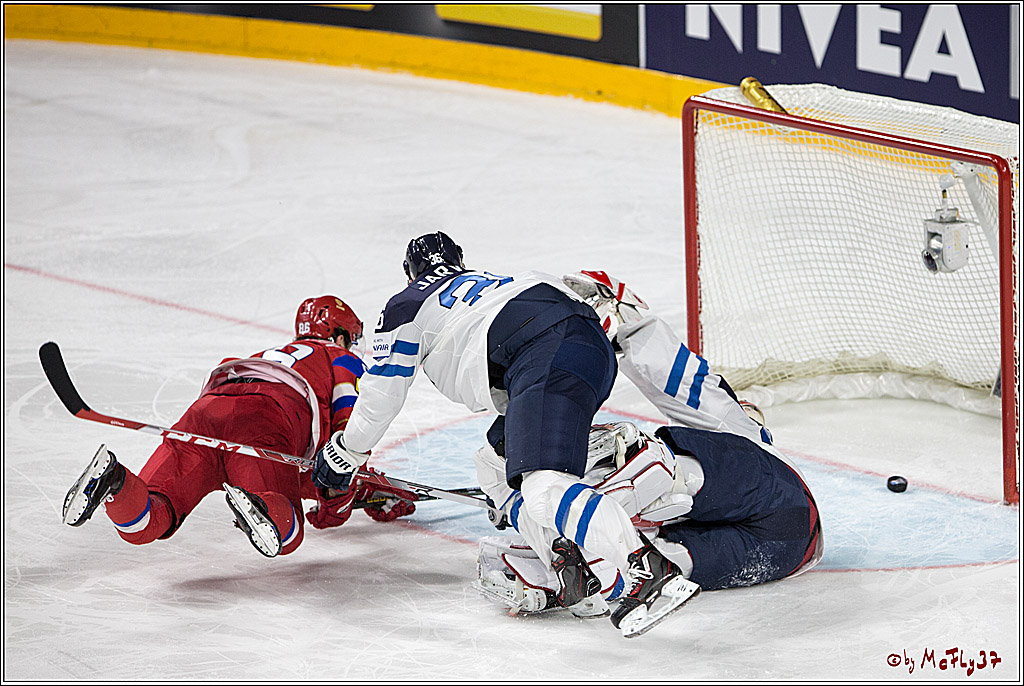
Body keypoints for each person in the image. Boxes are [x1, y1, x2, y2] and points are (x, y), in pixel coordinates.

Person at [310, 232, 688, 631]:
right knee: (493, 466)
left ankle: (647, 571)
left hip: (546, 355)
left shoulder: (407, 304)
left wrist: (346, 453)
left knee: (544, 488)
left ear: (410, 273)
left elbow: (382, 394)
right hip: (583, 348)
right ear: (459, 261)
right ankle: (567, 561)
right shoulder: (495, 281)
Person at [473, 271, 822, 636]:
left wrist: (622, 317)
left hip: (782, 503)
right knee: (649, 552)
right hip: (788, 550)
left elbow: (680, 379)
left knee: (618, 465)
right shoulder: (744, 442)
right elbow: (680, 380)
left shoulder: (745, 436)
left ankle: (560, 528)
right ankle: (574, 564)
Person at [62, 295, 414, 558]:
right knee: (286, 534)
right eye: (351, 338)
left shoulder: (268, 353)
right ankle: (261, 505)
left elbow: (304, 470)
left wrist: (371, 492)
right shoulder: (342, 358)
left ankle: (113, 482)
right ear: (339, 335)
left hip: (204, 414)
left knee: (150, 521)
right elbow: (347, 434)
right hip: (265, 419)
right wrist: (339, 501)